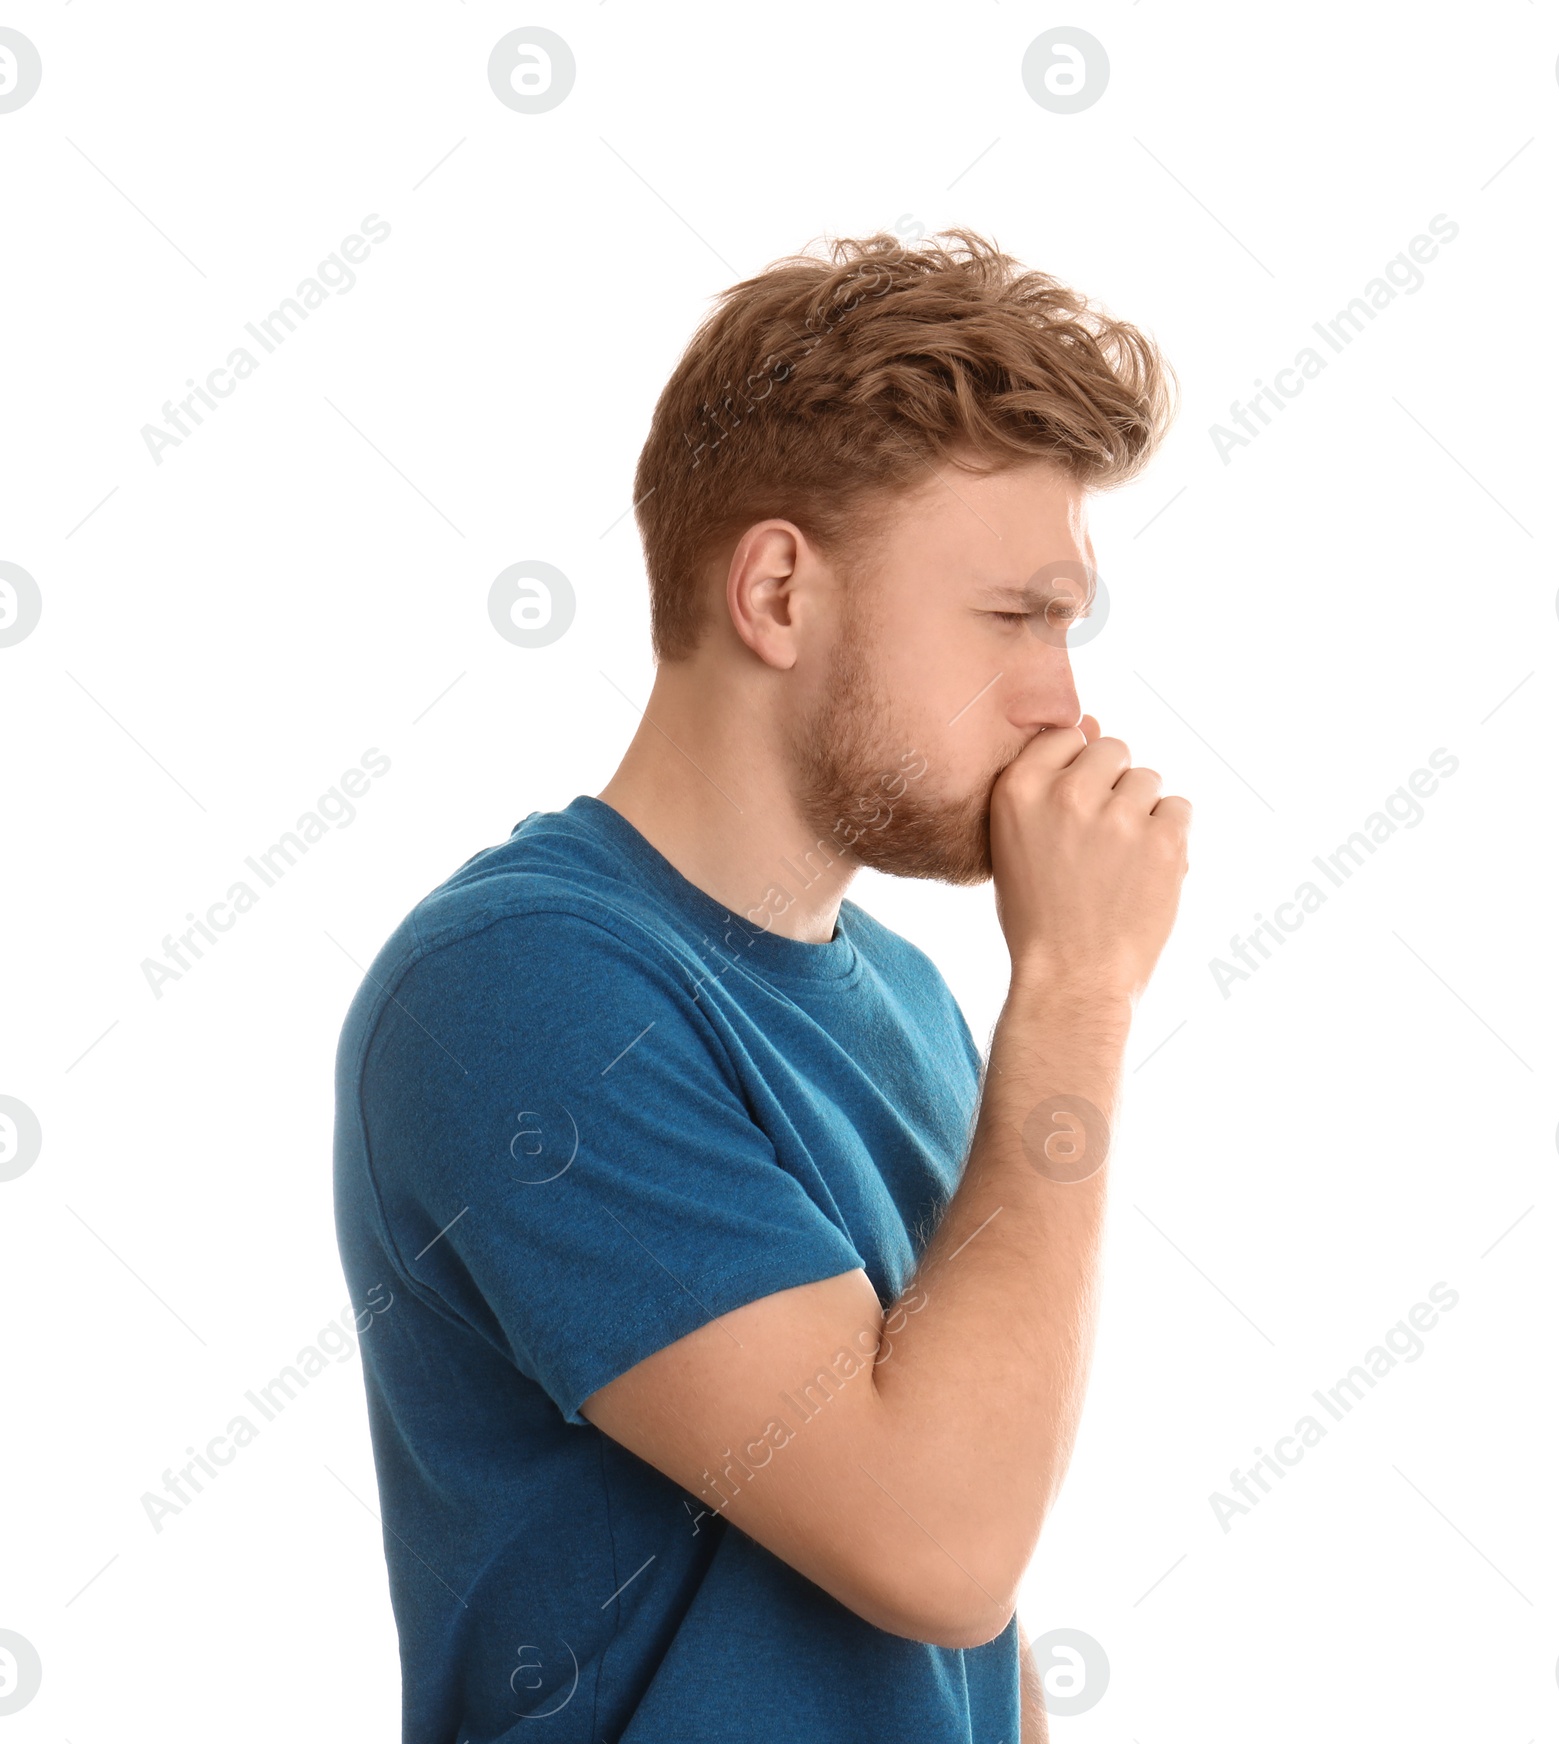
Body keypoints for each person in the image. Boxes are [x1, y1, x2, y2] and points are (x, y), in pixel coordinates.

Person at [333, 228, 1191, 1743]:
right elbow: (931, 1545)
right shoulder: (521, 992)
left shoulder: (911, 1004)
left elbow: (968, 1589)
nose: (1065, 701)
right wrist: (1077, 991)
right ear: (780, 595)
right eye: (1016, 617)